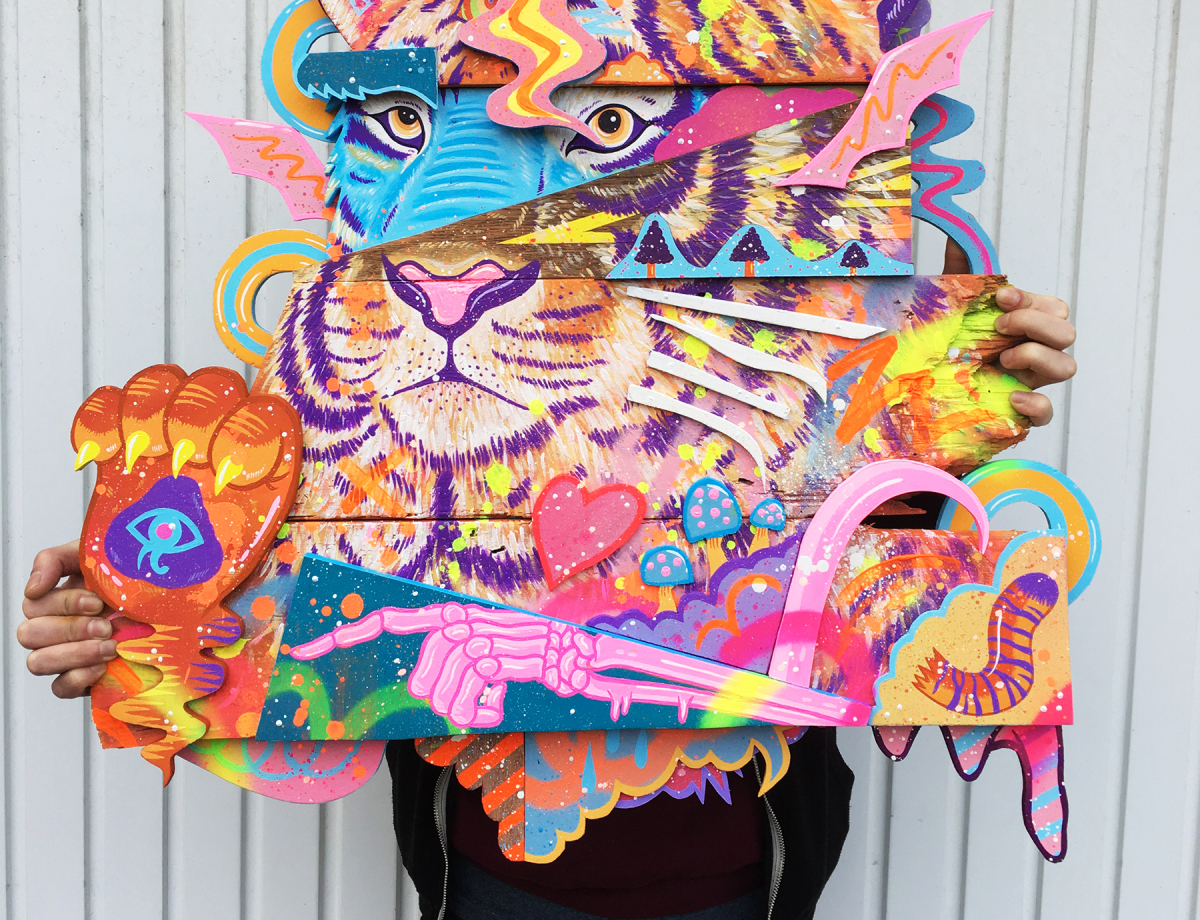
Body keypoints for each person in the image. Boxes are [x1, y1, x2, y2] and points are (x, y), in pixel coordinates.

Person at [17, 244, 1077, 920]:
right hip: (494, 883)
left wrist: (969, 393)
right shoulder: (378, 334)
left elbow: (886, 536)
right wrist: (133, 608)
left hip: (741, 878)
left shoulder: (775, 353)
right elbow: (263, 540)